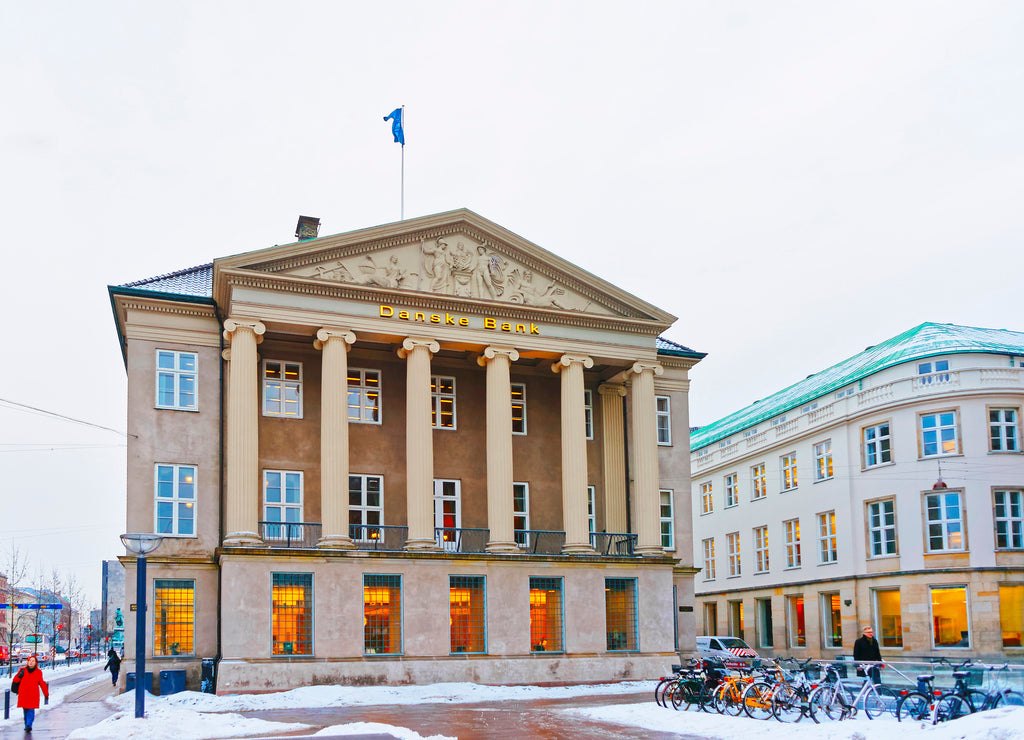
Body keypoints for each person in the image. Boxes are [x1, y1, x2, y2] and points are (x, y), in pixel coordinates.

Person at [11, 654, 49, 732]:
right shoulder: (22, 670)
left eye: (33, 661)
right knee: (25, 710)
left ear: (36, 663)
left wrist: (46, 694)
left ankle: (29, 725)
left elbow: (42, 683)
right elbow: (15, 680)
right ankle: (27, 724)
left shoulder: (38, 672)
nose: (31, 662)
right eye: (29, 661)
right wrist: (19, 676)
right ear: (27, 662)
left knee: (31, 710)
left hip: (33, 694)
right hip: (24, 694)